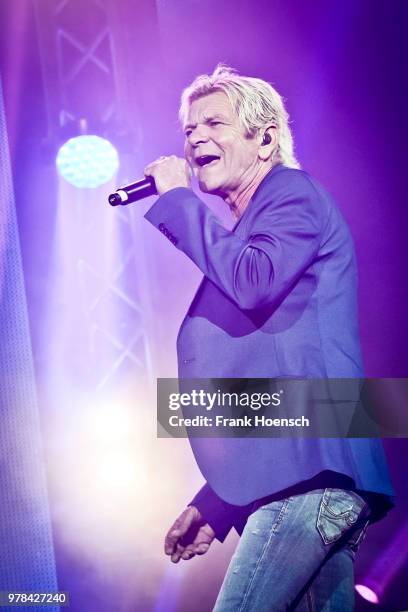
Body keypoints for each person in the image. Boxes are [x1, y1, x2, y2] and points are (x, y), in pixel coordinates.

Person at [143, 65, 394, 611]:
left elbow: (252, 282)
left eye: (214, 123)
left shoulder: (291, 193)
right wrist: (217, 504)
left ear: (265, 139)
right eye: (188, 129)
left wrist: (179, 202)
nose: (194, 138)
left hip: (309, 481)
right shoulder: (255, 226)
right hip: (312, 480)